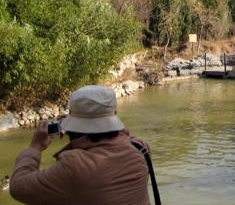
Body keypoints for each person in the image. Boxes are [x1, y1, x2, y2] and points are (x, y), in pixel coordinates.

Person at [10, 85, 151, 205]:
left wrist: (35, 147)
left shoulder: (74, 167)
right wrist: (80, 127)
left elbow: (18, 187)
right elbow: (120, 139)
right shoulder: (140, 149)